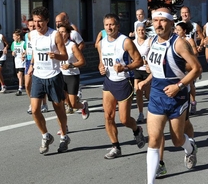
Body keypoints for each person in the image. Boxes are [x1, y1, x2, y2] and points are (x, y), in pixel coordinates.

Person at [136, 8, 202, 184]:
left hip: (177, 95)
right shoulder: (153, 41)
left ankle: (190, 149)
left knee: (176, 139)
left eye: (162, 21)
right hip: (157, 93)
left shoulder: (179, 43)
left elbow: (197, 68)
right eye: (155, 21)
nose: (158, 24)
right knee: (154, 139)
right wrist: (147, 79)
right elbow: (155, 66)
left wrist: (179, 85)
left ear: (171, 23)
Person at [98, 13, 146, 159]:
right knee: (108, 116)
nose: (109, 27)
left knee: (124, 119)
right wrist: (101, 67)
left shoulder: (125, 42)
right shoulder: (101, 43)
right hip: (109, 81)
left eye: (112, 24)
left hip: (124, 81)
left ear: (118, 26)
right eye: (106, 25)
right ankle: (116, 147)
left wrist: (124, 68)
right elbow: (102, 62)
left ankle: (137, 130)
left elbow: (139, 62)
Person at [27, 6, 69, 154]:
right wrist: (32, 65)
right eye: (35, 21)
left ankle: (64, 136)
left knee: (59, 108)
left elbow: (65, 56)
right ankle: (46, 135)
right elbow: (34, 51)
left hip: (53, 75)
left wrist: (56, 56)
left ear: (47, 21)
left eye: (40, 22)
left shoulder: (55, 35)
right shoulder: (32, 35)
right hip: (38, 75)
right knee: (35, 110)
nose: (37, 25)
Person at [58, 23, 89, 121]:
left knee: (73, 104)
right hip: (59, 76)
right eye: (59, 32)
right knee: (60, 103)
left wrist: (70, 65)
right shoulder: (55, 45)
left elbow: (82, 62)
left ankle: (83, 106)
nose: (61, 34)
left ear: (68, 34)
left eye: (63, 32)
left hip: (72, 75)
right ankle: (64, 127)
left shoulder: (72, 46)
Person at [24, 19, 48, 114]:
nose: (32, 28)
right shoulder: (27, 35)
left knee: (40, 83)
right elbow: (27, 47)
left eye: (33, 26)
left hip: (37, 60)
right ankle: (32, 102)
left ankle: (44, 103)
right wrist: (24, 54)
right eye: (30, 26)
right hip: (28, 60)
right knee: (27, 84)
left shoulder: (39, 36)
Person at [175, 21, 199, 114]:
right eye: (175, 30)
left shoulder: (189, 40)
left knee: (190, 84)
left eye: (178, 30)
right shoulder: (174, 40)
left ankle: (193, 102)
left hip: (188, 65)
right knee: (180, 84)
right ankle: (181, 104)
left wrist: (188, 55)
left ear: (184, 31)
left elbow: (195, 52)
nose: (176, 32)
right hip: (178, 66)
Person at [133, 22, 151, 123]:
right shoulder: (133, 42)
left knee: (147, 95)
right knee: (138, 91)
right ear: (136, 31)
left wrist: (148, 63)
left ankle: (153, 111)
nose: (141, 32)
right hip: (137, 70)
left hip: (147, 70)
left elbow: (153, 55)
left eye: (142, 30)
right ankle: (140, 113)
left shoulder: (149, 41)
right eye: (139, 30)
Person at [11, 29, 26, 96]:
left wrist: (24, 55)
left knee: (20, 75)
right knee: (19, 76)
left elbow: (27, 51)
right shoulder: (13, 43)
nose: (13, 38)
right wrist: (13, 53)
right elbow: (12, 51)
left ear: (18, 36)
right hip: (16, 61)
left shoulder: (23, 43)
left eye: (14, 36)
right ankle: (25, 85)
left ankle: (20, 89)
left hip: (22, 61)